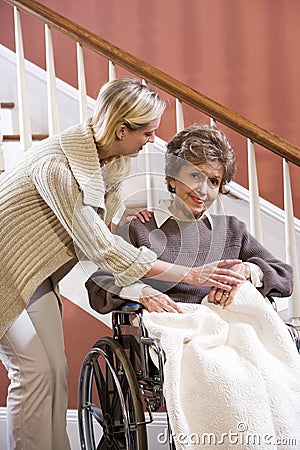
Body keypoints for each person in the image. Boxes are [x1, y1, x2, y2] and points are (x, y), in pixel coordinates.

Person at [0, 79, 244, 450]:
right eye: (148, 132)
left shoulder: (112, 159)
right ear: (121, 129)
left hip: (34, 276)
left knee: (57, 371)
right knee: (33, 371)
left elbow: (102, 220)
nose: (152, 140)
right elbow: (100, 246)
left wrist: (126, 215)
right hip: (4, 272)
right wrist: (187, 273)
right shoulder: (58, 167)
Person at [86, 123, 293, 313]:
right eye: (195, 176)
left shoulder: (232, 230)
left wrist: (247, 269)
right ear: (173, 178)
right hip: (177, 332)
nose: (203, 190)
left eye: (213, 181)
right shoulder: (139, 227)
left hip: (229, 333)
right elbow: (99, 284)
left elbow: (284, 275)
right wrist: (142, 292)